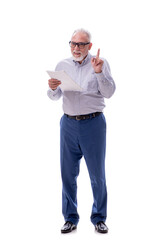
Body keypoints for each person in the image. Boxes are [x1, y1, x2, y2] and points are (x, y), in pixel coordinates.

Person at [47, 29, 116, 234]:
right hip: (67, 125)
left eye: (81, 44)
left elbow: (110, 93)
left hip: (93, 124)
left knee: (97, 175)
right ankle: (70, 218)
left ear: (89, 46)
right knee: (67, 174)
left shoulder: (100, 63)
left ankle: (99, 218)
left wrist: (98, 73)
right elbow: (54, 97)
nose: (77, 48)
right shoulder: (62, 65)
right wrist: (52, 88)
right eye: (73, 43)